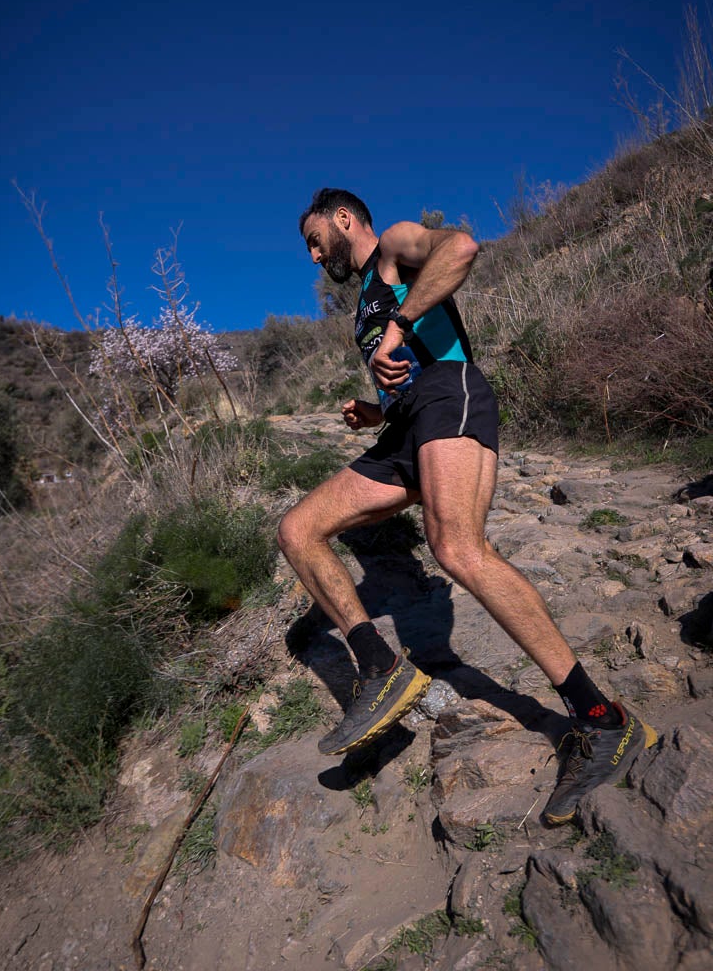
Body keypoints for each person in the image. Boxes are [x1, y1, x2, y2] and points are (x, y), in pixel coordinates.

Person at [277, 187, 657, 826]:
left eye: (316, 240)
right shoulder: (363, 302)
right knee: (298, 529)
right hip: (406, 426)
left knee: (456, 548)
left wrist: (397, 324)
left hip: (450, 395)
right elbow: (398, 368)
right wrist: (375, 408)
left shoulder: (394, 245)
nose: (315, 257)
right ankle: (381, 669)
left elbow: (461, 247)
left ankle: (603, 720)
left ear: (344, 219)